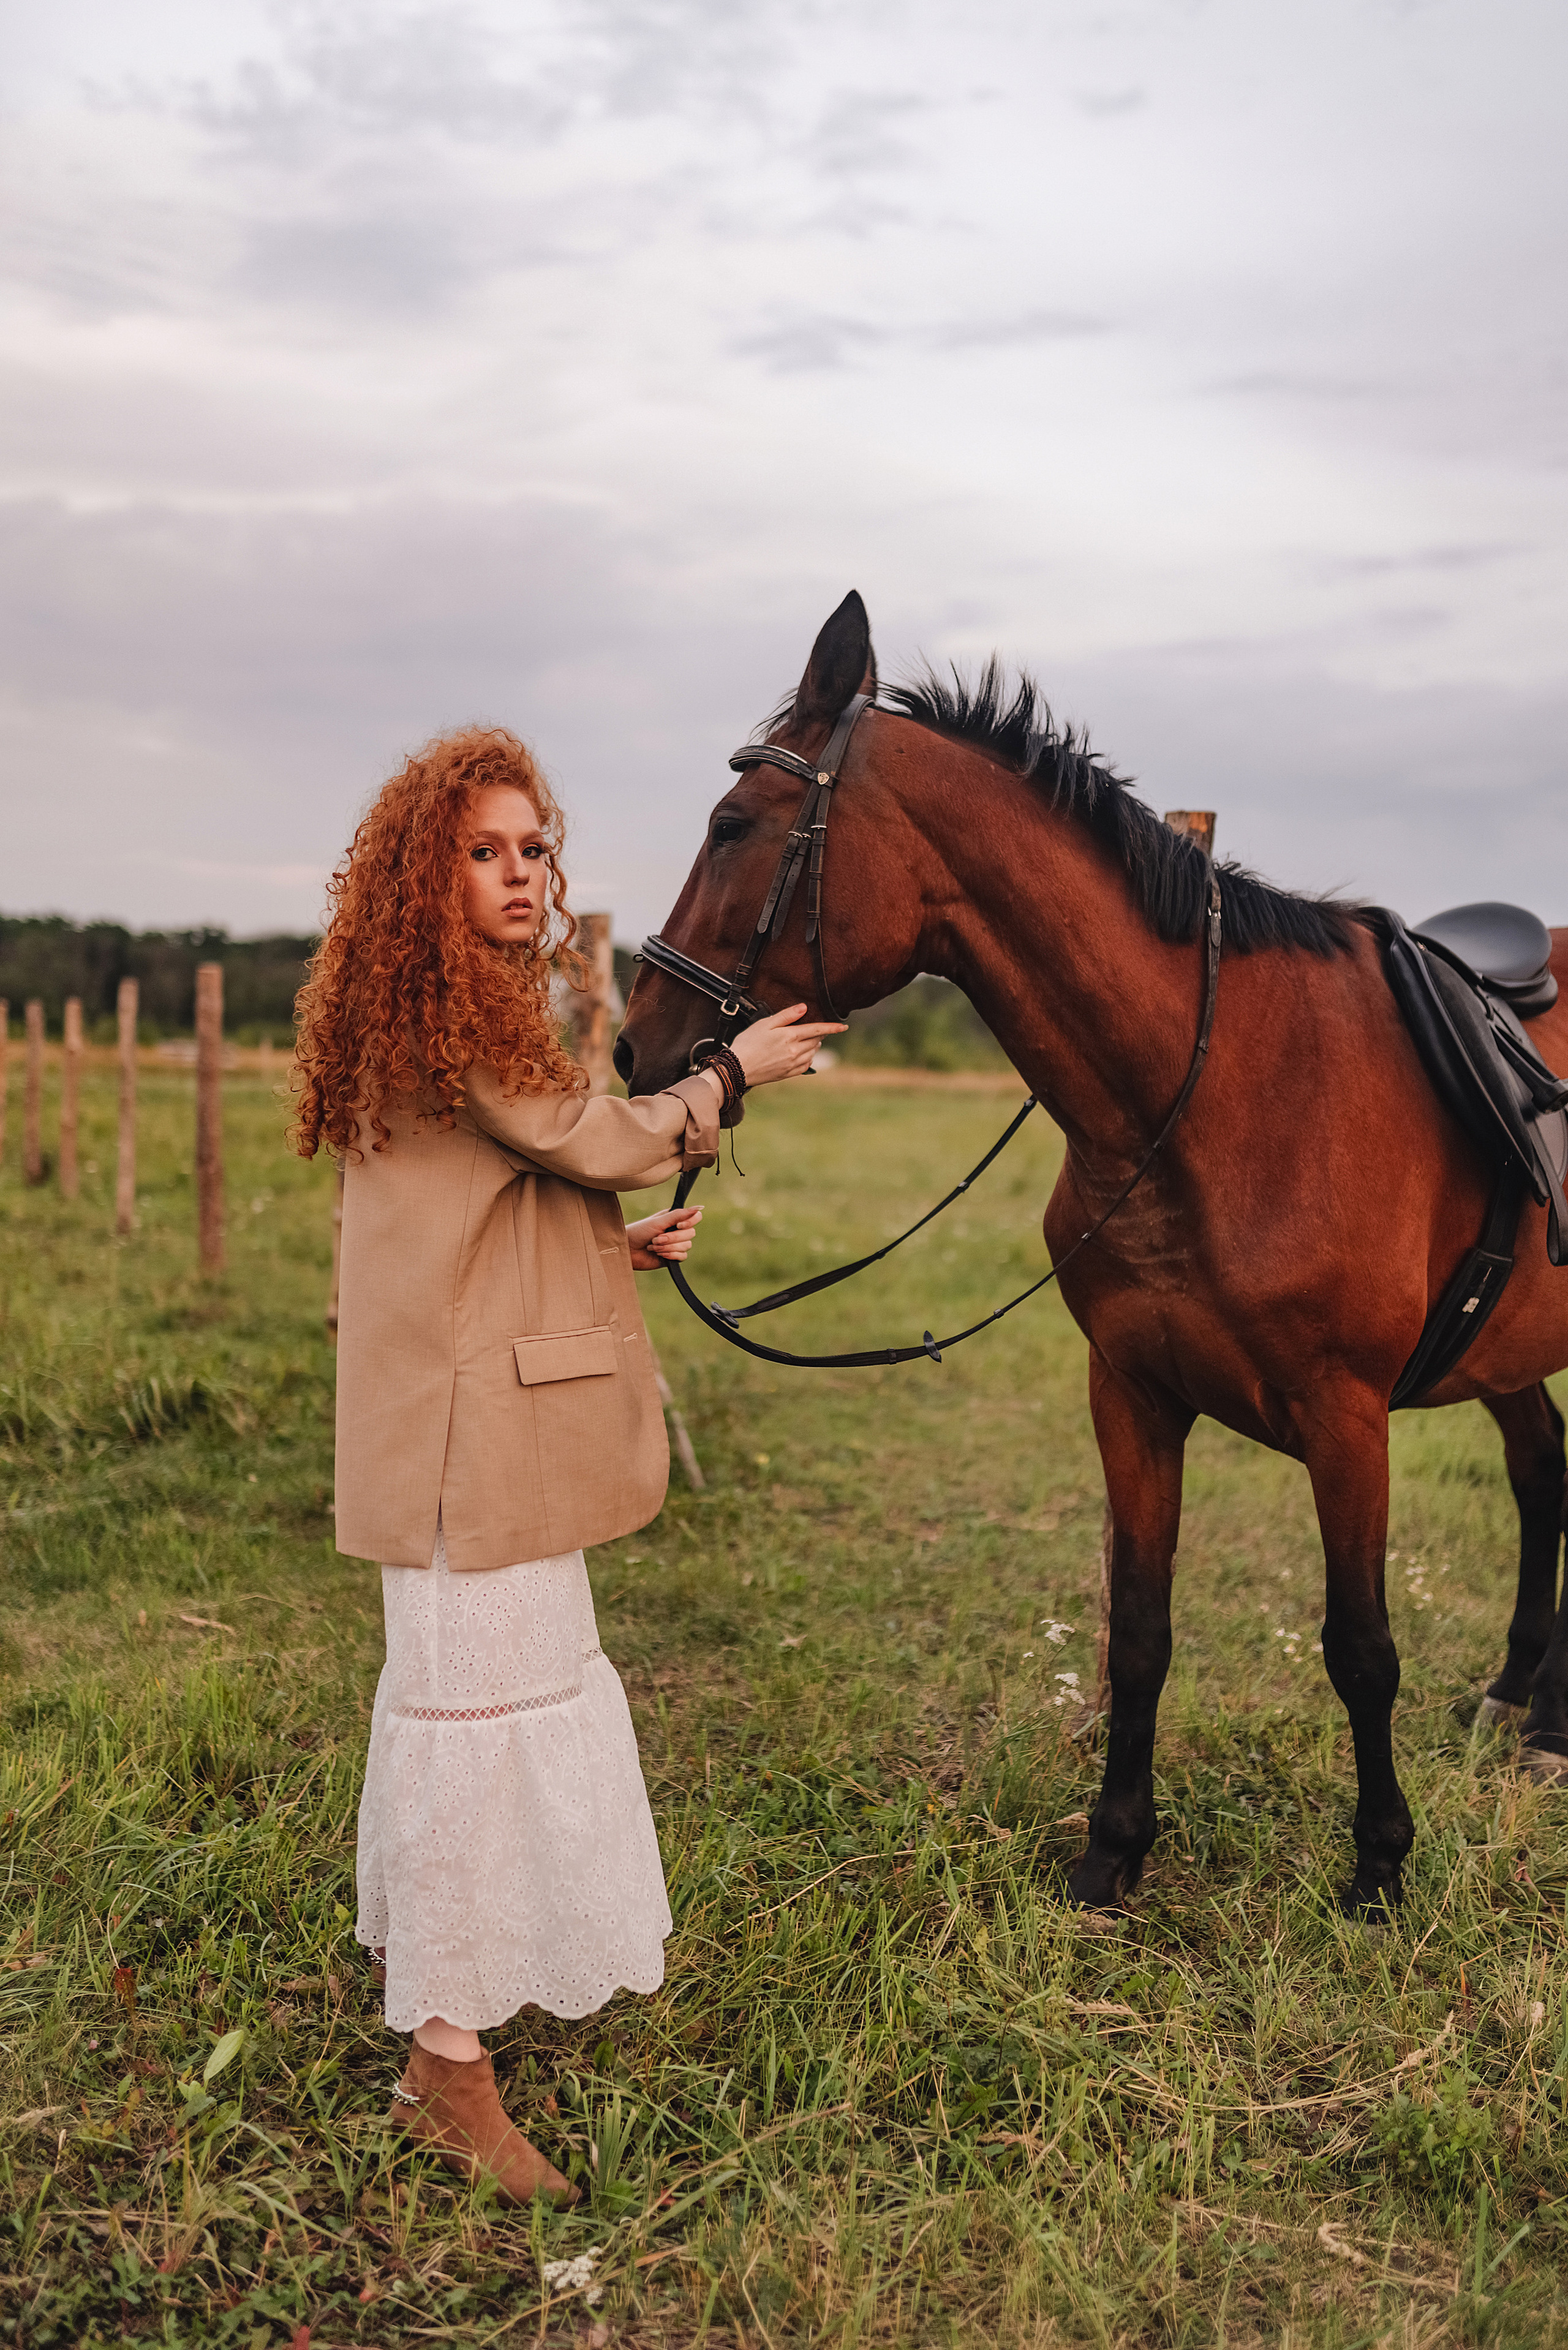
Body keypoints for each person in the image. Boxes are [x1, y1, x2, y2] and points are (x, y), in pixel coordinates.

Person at [291, 726, 840, 2206]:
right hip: (465, 1445)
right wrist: (730, 1071)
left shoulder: (453, 1012)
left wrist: (607, 1248)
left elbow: (494, 1202)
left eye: (533, 846)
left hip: (473, 1426)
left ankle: (451, 2011)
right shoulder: (452, 1023)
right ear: (425, 875)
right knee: (476, 1729)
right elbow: (591, 1138)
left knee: (482, 1711)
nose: (521, 873)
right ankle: (444, 2067)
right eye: (482, 851)